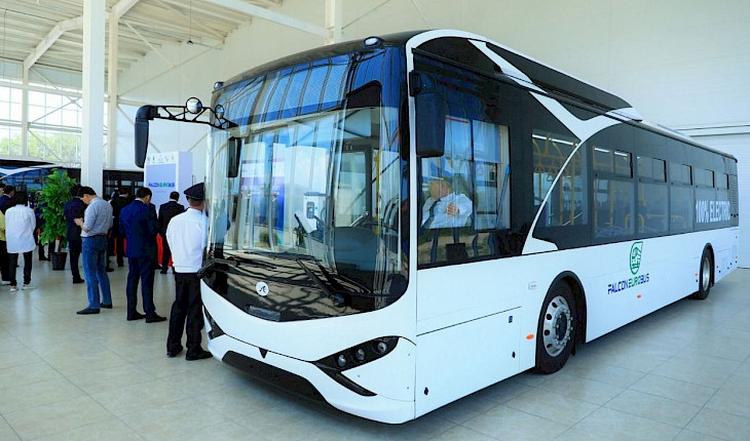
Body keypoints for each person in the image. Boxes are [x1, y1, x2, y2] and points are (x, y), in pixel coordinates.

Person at [166, 182, 211, 360]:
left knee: (178, 307)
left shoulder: (175, 220)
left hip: (179, 269)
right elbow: (207, 248)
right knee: (194, 309)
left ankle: (173, 346)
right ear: (204, 201)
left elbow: (170, 241)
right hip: (196, 271)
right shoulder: (203, 222)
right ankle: (193, 348)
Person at [119, 187, 166, 323]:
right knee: (147, 282)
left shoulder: (125, 210)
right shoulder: (148, 210)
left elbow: (121, 231)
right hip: (146, 251)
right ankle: (149, 313)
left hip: (131, 250)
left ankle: (131, 311)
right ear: (147, 197)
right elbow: (153, 230)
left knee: (132, 280)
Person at [75, 186, 113, 315]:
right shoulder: (107, 205)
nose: (83, 201)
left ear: (86, 195)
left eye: (82, 199)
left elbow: (87, 227)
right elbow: (110, 224)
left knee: (89, 272)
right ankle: (107, 300)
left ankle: (94, 305)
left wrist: (80, 222)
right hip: (103, 239)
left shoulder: (92, 207)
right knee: (101, 271)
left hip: (90, 240)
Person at [5, 192, 36, 291]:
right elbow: (33, 225)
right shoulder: (29, 211)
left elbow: (7, 224)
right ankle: (26, 283)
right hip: (26, 239)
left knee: (12, 263)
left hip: (12, 239)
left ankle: (12, 285)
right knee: (28, 261)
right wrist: (27, 232)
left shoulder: (8, 211)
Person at [157, 191, 185, 274]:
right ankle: (174, 268)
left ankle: (164, 269)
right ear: (178, 198)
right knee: (175, 251)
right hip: (176, 233)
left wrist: (162, 233)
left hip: (165, 232)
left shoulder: (163, 206)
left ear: (169, 197)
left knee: (166, 251)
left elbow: (159, 221)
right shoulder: (181, 207)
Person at [63, 185, 86, 284]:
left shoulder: (67, 204)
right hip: (83, 233)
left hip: (71, 232)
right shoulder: (83, 204)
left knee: (73, 257)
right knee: (87, 256)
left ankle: (75, 277)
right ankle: (90, 276)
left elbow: (65, 217)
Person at [109, 187, 131, 267]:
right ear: (127, 194)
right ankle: (130, 258)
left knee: (119, 243)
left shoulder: (113, 201)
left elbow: (111, 213)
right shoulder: (129, 202)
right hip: (128, 225)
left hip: (117, 224)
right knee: (130, 242)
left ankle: (120, 261)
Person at [0, 185, 14, 285]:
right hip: (3, 236)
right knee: (5, 257)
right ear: (12, 192)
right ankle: (5, 278)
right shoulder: (10, 202)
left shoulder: (1, 200)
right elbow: (3, 226)